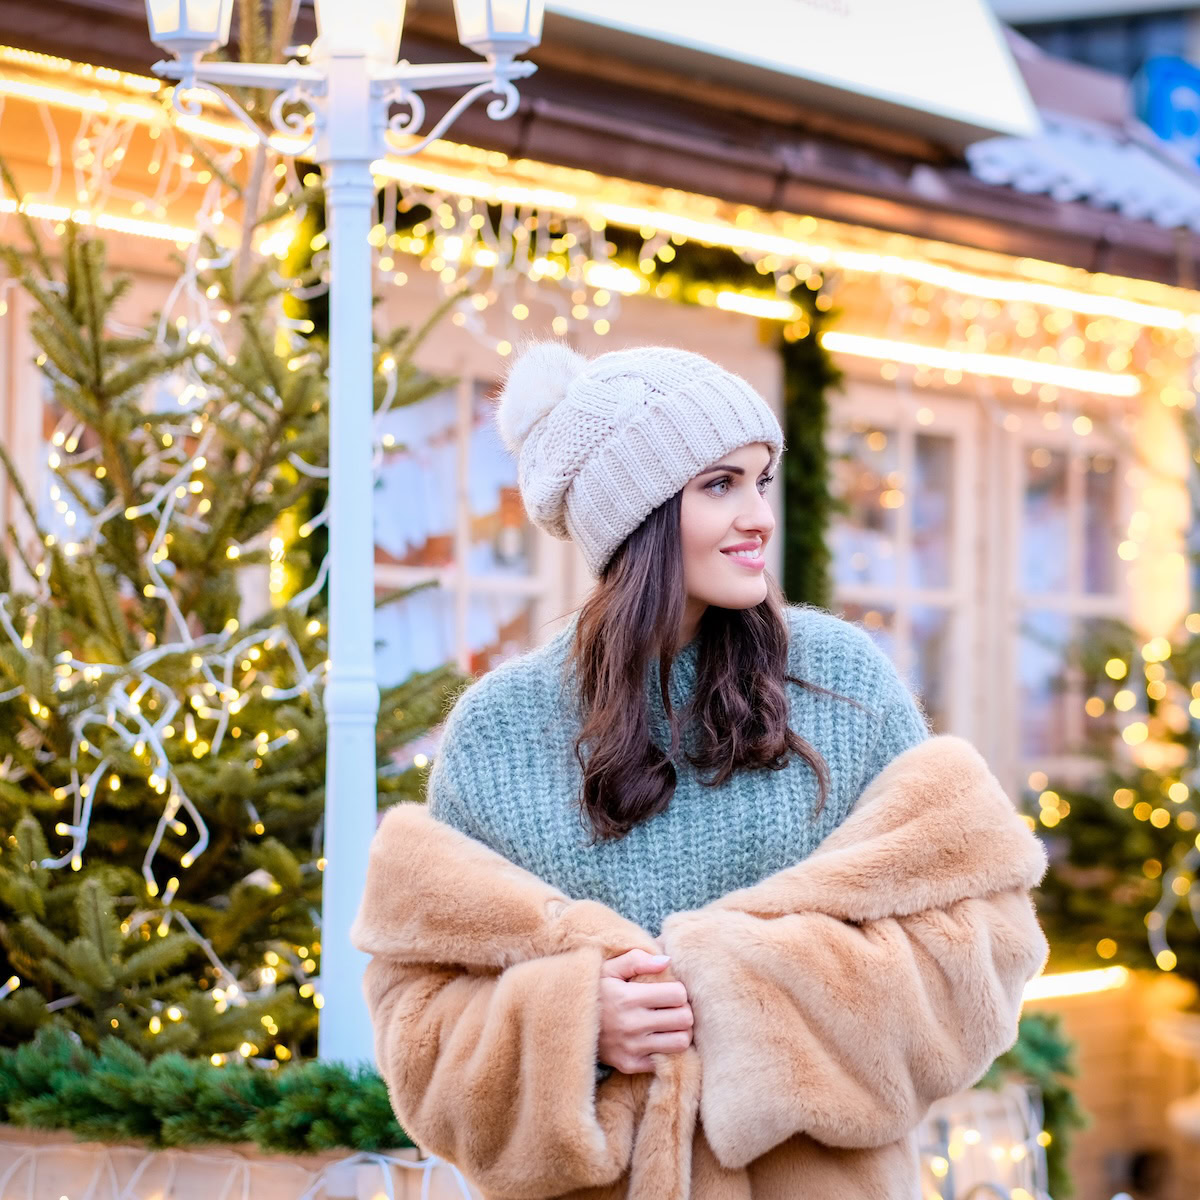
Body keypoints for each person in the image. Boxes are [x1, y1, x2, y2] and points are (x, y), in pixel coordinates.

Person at [351, 341, 1049, 1200]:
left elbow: (985, 940)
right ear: (633, 518)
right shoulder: (500, 731)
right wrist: (575, 1026)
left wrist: (743, 987)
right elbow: (416, 1019)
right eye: (720, 485)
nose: (759, 514)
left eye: (760, 479)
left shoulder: (840, 680)